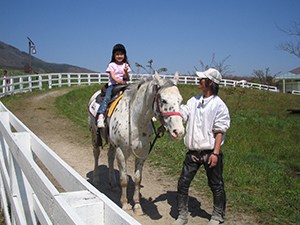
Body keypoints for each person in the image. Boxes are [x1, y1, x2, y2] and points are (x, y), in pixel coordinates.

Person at [173, 68, 230, 225]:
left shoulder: (219, 105)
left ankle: (218, 216)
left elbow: (220, 130)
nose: (199, 80)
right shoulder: (194, 101)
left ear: (210, 82)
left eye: (202, 79)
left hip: (210, 152)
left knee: (216, 185)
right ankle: (182, 215)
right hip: (192, 153)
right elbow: (182, 114)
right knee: (183, 183)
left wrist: (216, 153)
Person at [97, 44, 131, 128]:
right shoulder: (112, 65)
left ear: (124, 55)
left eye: (121, 54)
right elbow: (113, 76)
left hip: (124, 85)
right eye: (117, 54)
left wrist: (126, 71)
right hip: (114, 85)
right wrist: (119, 81)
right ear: (114, 55)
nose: (119, 56)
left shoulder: (125, 65)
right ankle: (101, 115)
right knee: (107, 97)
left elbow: (127, 78)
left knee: (136, 93)